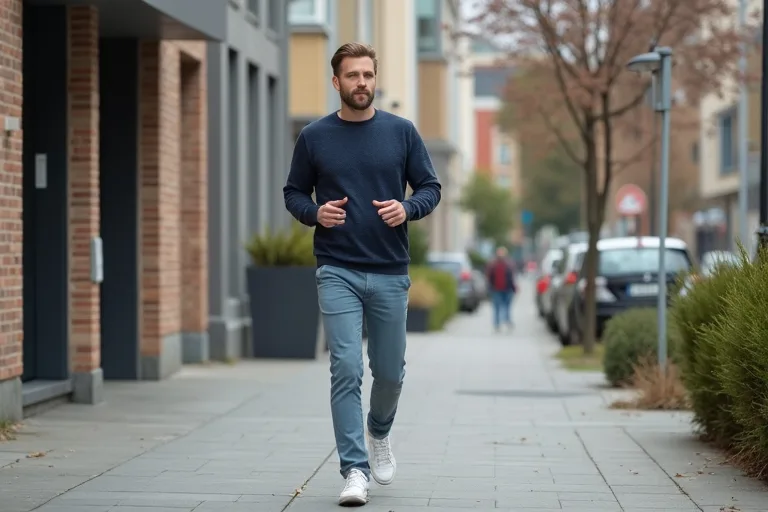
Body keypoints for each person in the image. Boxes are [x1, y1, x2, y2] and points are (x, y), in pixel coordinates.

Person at [283, 42, 441, 506]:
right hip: (337, 269)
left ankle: (380, 430)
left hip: (391, 270)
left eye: (368, 75)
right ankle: (354, 470)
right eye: (352, 76)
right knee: (346, 367)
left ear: (376, 78)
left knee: (390, 372)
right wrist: (315, 214)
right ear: (337, 82)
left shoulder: (402, 132)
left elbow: (430, 187)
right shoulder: (314, 136)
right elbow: (293, 192)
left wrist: (407, 207)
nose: (361, 84)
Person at [486, 246, 517, 332]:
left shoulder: (506, 264)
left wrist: (513, 288)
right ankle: (499, 323)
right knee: (499, 307)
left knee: (505, 306)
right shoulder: (495, 265)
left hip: (506, 289)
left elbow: (511, 278)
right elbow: (489, 278)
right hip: (497, 289)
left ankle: (504, 321)